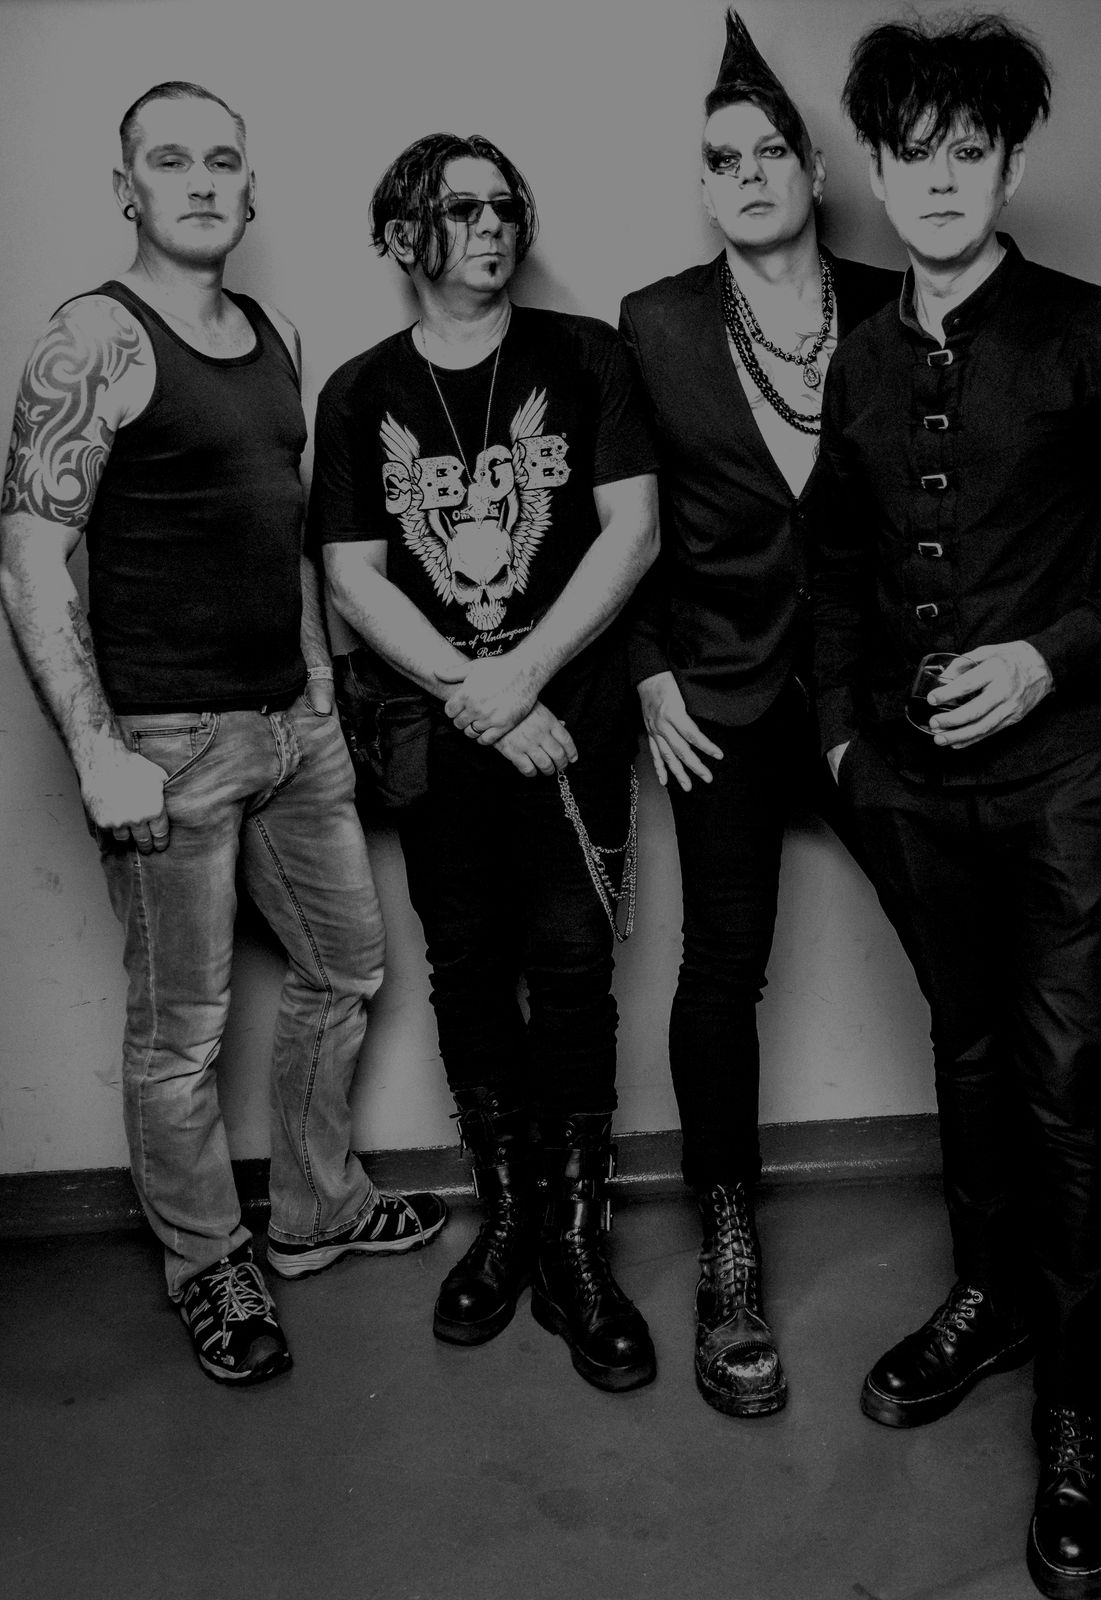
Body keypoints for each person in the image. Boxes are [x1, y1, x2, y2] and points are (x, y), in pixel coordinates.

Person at [813, 16, 1101, 1597]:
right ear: (875, 169)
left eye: (967, 152)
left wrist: (1052, 659)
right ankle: (989, 1299)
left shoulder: (1097, 335)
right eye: (910, 155)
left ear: (1009, 166)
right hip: (913, 791)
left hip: (1067, 786)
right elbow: (832, 565)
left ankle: (1068, 1400)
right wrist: (843, 747)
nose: (937, 181)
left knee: (1062, 1079)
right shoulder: (859, 356)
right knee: (969, 1052)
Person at [0, 82, 447, 1388]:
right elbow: (30, 556)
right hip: (166, 740)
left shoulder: (278, 335)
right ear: (126, 189)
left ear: (249, 191)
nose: (199, 180)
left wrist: (315, 692)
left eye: (222, 161)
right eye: (169, 160)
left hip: (289, 726)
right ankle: (208, 1261)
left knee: (346, 968)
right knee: (181, 1035)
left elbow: (282, 535)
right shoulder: (94, 338)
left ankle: (311, 1209)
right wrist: (97, 750)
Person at [314, 133, 660, 1394]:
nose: (491, 223)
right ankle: (508, 1222)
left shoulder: (587, 356)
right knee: (466, 970)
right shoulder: (360, 391)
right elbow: (351, 579)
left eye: (503, 203)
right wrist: (478, 691)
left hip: (573, 728)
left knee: (571, 971)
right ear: (404, 233)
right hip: (443, 742)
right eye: (460, 208)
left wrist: (526, 673)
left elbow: (633, 532)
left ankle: (576, 1245)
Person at [618, 10, 898, 1418]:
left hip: (870, 693)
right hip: (717, 692)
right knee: (720, 969)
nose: (746, 174)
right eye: (721, 159)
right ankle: (727, 1246)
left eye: (768, 152)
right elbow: (619, 521)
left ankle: (1049, 1221)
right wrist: (648, 669)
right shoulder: (655, 323)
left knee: (966, 946)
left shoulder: (897, 303)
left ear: (813, 169)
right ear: (703, 184)